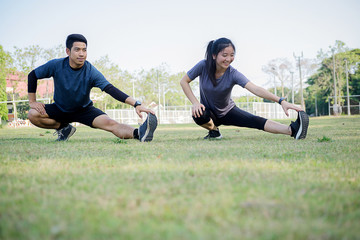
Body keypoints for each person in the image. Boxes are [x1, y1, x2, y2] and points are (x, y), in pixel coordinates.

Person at [27, 34, 157, 142]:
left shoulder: (91, 71)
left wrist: (136, 104)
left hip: (84, 110)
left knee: (111, 124)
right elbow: (33, 75)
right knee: (33, 114)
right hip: (60, 109)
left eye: (84, 50)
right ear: (68, 51)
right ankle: (64, 128)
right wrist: (32, 101)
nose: (81, 54)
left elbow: (111, 89)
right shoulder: (56, 65)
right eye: (77, 50)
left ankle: (140, 133)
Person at [180, 37, 309, 140]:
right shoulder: (203, 65)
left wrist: (281, 101)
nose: (228, 59)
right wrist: (195, 103)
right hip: (209, 113)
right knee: (198, 114)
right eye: (224, 55)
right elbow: (184, 81)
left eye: (231, 55)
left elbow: (255, 89)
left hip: (228, 112)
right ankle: (214, 132)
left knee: (255, 121)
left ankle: (293, 130)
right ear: (214, 55)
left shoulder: (233, 73)